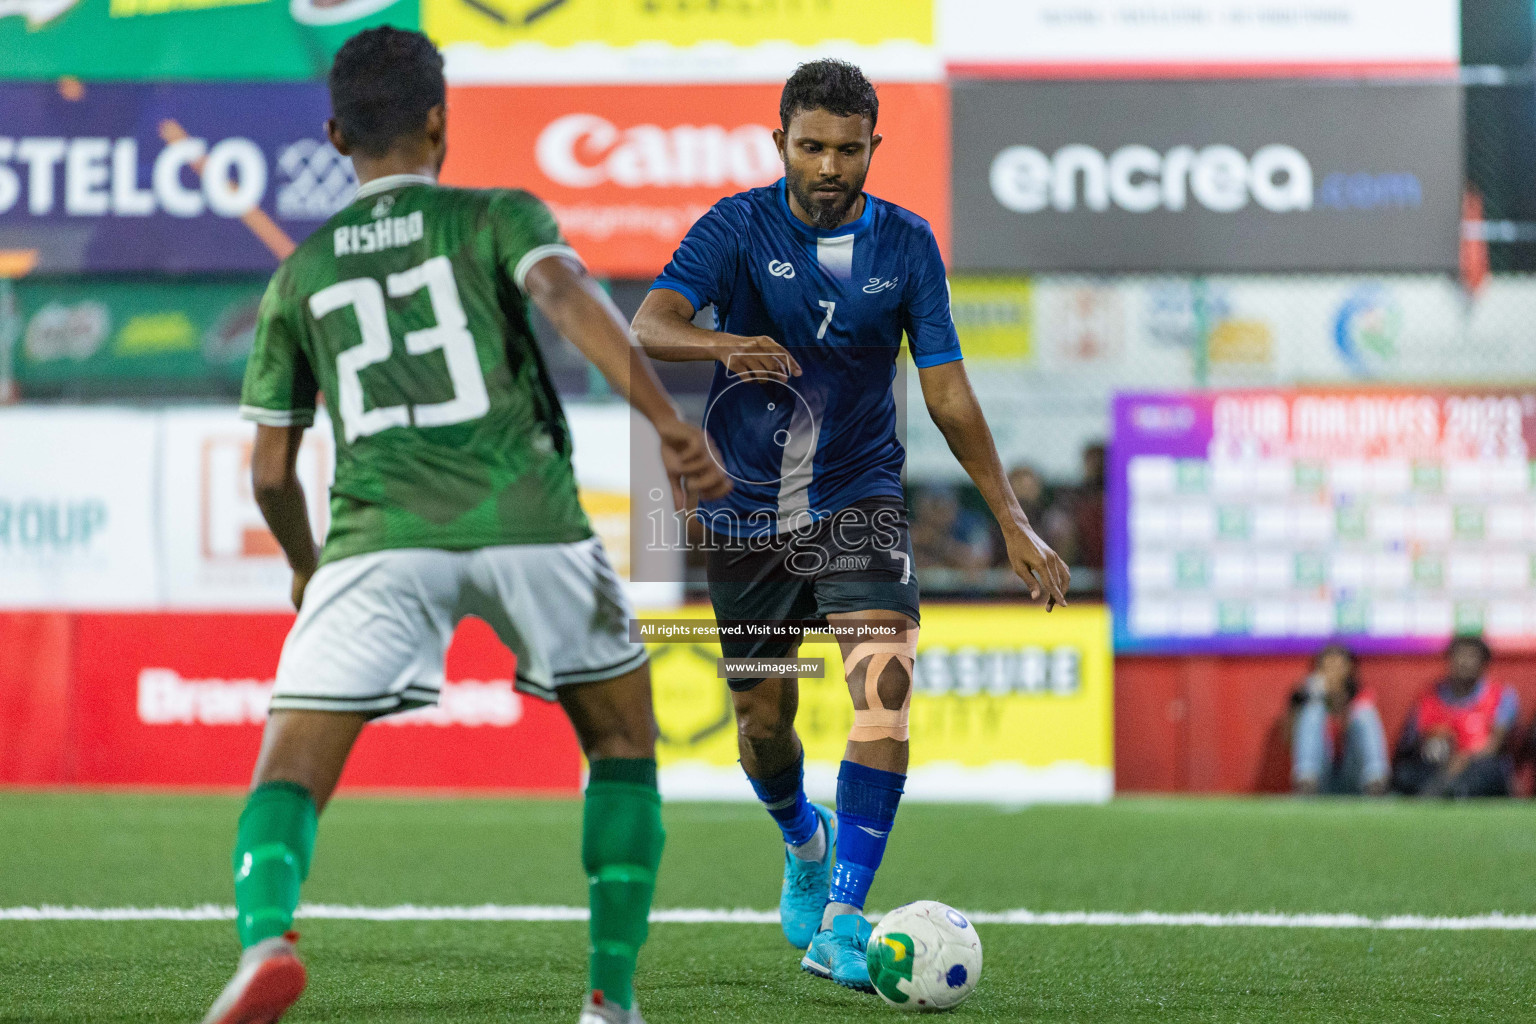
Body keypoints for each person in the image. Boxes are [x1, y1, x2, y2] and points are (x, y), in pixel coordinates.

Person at [200, 28, 728, 1024]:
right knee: (620, 739)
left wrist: (309, 568)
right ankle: (609, 1000)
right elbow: (565, 294)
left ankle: (267, 938)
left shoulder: (299, 275)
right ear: (440, 120)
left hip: (377, 536)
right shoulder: (498, 215)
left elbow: (271, 471)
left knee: (290, 775)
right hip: (528, 516)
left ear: (333, 134)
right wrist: (668, 425)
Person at [630, 59, 1068, 992]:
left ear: (875, 147)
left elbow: (946, 391)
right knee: (761, 722)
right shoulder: (736, 228)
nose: (830, 165)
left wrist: (1014, 521)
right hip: (746, 511)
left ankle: (842, 918)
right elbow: (650, 323)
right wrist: (724, 345)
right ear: (779, 138)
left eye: (849, 148)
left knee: (884, 687)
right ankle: (802, 838)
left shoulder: (908, 247)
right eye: (812, 145)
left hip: (859, 497)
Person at [1392, 636, 1517, 799]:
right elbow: (1410, 744)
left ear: (1484, 663)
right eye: (1459, 656)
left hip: (1479, 764)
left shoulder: (1502, 696)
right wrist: (1434, 740)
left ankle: (1449, 792)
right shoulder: (1429, 697)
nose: (1464, 662)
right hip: (1436, 766)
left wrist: (1463, 759)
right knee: (1405, 774)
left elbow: (1495, 745)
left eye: (1471, 657)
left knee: (1489, 772)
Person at [1289, 644, 1389, 795]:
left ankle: (1377, 782)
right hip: (1320, 778)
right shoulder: (1306, 697)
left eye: (1339, 666)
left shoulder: (1361, 697)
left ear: (1350, 669)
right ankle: (1306, 783)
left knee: (1364, 713)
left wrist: (1339, 699)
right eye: (1327, 666)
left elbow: (1356, 731)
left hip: (1354, 775)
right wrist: (1310, 697)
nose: (1333, 672)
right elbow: (1287, 740)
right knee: (1312, 712)